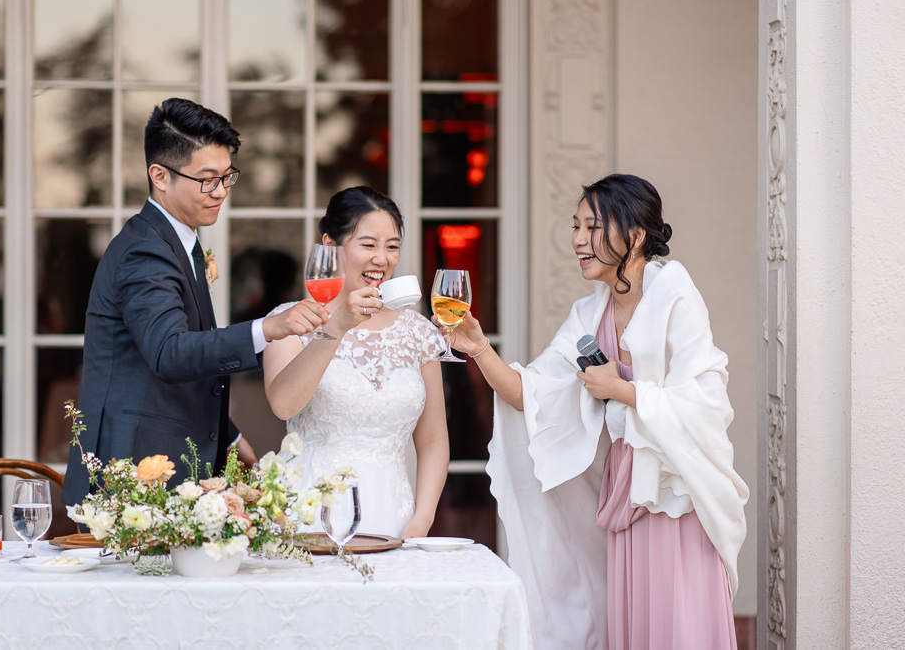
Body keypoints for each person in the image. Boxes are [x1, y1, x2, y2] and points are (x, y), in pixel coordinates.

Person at [447, 174, 749, 650]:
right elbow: (533, 394)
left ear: (634, 236)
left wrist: (621, 391)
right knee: (634, 627)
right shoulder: (590, 314)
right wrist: (479, 348)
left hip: (674, 492)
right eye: (576, 226)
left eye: (592, 227)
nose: (577, 240)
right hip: (624, 492)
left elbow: (707, 402)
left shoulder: (675, 294)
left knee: (677, 629)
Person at [62, 98, 327, 507]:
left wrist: (229, 434)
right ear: (160, 176)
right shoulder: (144, 251)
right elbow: (170, 353)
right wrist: (267, 328)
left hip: (164, 464)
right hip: (134, 475)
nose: (221, 192)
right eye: (207, 180)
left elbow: (189, 359)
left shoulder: (179, 243)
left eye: (227, 177)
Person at [263, 186, 450, 539]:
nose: (382, 258)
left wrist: (422, 519)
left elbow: (434, 440)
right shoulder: (291, 321)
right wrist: (336, 327)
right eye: (368, 244)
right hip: (309, 514)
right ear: (330, 245)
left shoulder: (418, 331)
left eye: (392, 246)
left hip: (395, 516)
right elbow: (284, 403)